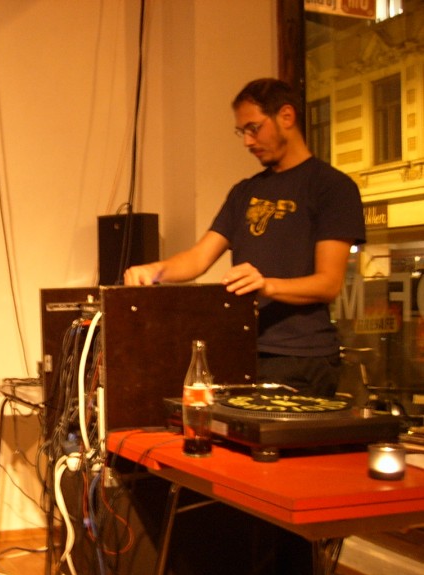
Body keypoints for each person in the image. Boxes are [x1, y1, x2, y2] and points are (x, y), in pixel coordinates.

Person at [124, 78, 365, 397]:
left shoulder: (332, 187)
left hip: (302, 358)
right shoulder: (244, 192)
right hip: (243, 349)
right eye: (242, 132)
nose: (248, 142)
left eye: (254, 128)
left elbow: (328, 283)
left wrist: (265, 285)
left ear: (286, 116)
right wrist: (154, 270)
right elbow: (199, 258)